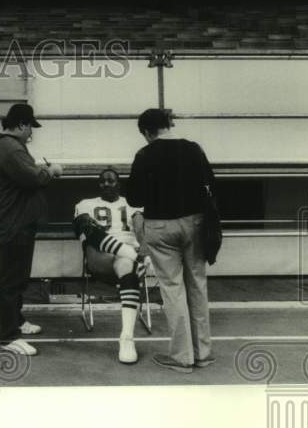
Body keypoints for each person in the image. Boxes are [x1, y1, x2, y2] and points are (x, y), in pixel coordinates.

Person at [126, 108, 216, 374]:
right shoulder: (194, 149)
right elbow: (210, 185)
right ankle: (203, 353)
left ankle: (182, 357)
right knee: (197, 285)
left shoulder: (144, 155)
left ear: (146, 132)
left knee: (172, 289)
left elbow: (134, 199)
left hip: (161, 226)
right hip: (195, 223)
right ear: (169, 124)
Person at [0, 103, 63, 356]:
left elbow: (25, 175)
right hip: (13, 224)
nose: (31, 133)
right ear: (21, 125)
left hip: (16, 222)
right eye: (30, 127)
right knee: (11, 279)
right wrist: (52, 171)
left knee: (17, 277)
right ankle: (9, 336)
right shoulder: (10, 148)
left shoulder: (10, 147)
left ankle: (16, 321)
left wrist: (39, 171)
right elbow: (34, 178)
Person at [73, 167, 145, 364]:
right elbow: (84, 229)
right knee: (87, 226)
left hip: (125, 261)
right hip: (99, 257)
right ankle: (132, 255)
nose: (106, 184)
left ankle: (127, 338)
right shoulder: (86, 204)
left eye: (111, 181)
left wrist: (144, 247)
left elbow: (140, 228)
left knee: (127, 264)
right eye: (102, 181)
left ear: (118, 184)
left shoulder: (132, 205)